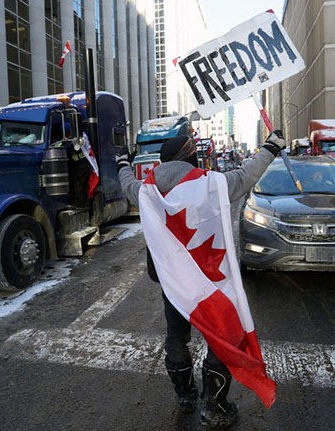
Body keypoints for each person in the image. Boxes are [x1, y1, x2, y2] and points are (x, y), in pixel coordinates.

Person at [116, 131, 285, 428]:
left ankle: (186, 397)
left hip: (173, 283)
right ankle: (215, 406)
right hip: (210, 282)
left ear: (163, 160)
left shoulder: (146, 190)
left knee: (176, 335)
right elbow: (246, 175)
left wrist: (121, 163)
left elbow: (127, 183)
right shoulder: (210, 184)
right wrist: (270, 147)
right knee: (221, 337)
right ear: (190, 156)